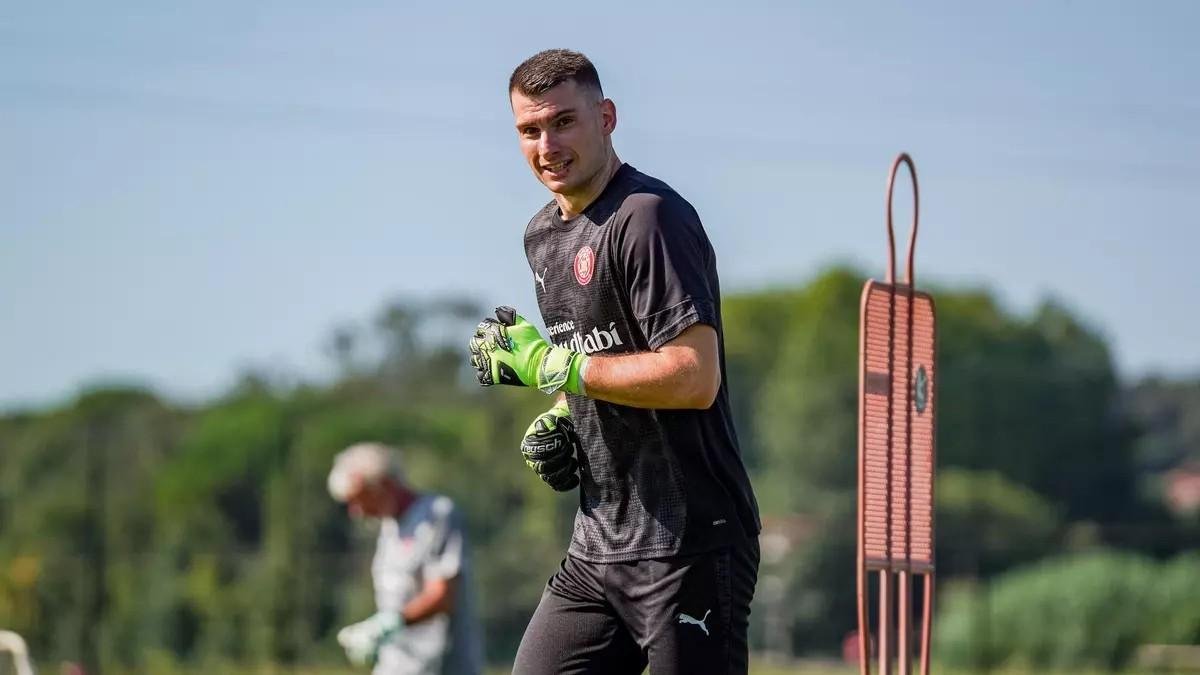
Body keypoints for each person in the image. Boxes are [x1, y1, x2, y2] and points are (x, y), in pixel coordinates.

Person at [467, 48, 761, 674]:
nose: (547, 145)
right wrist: (562, 416)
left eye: (563, 122)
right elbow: (597, 354)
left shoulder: (650, 218)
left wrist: (555, 369)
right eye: (529, 130)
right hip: (598, 542)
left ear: (606, 117)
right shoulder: (541, 235)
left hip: (690, 543)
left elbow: (694, 376)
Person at [328, 442, 483, 675]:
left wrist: (389, 623)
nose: (356, 511)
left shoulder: (437, 515)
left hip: (441, 666)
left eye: (359, 499)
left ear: (383, 485)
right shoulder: (389, 527)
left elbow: (443, 595)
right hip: (397, 665)